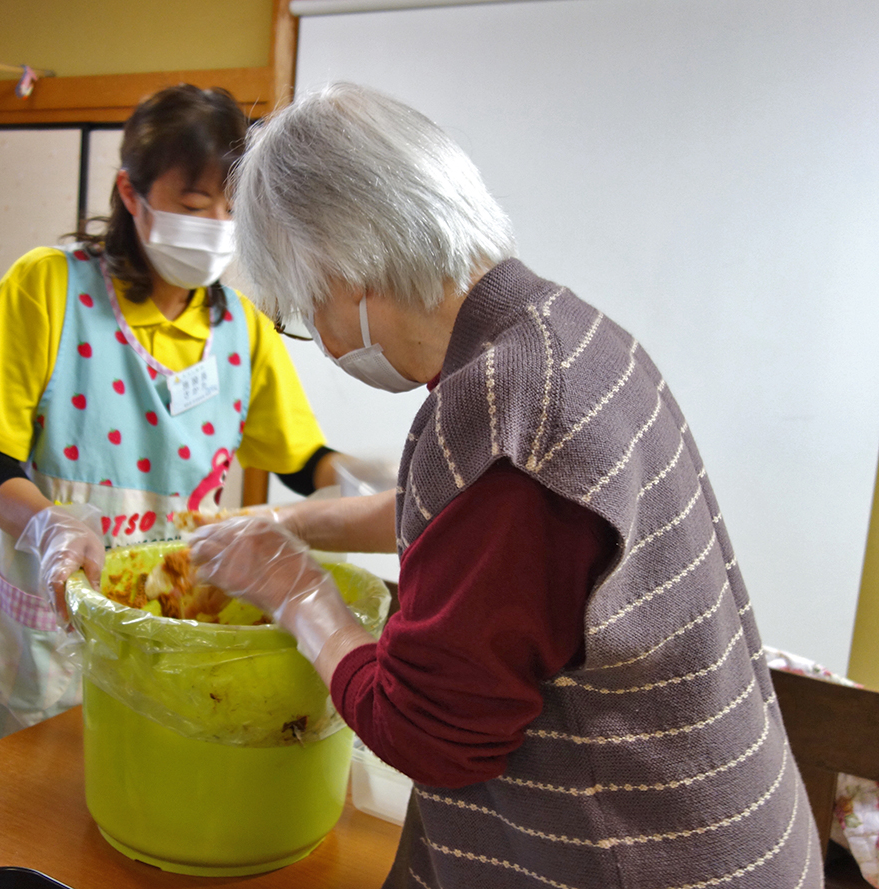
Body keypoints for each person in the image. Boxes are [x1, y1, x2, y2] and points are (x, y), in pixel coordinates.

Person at [189, 83, 822, 889]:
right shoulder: (562, 332)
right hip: (734, 826)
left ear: (346, 272)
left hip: (644, 858)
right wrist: (294, 523)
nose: (323, 339)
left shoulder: (509, 414)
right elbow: (473, 530)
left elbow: (428, 733)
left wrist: (295, 592)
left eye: (308, 311)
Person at [0, 84, 344, 757]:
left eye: (233, 208)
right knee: (8, 826)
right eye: (194, 203)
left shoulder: (241, 328)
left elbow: (297, 458)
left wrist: (349, 476)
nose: (216, 226)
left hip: (159, 613)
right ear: (131, 193)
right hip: (37, 617)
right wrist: (47, 524)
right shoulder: (49, 288)